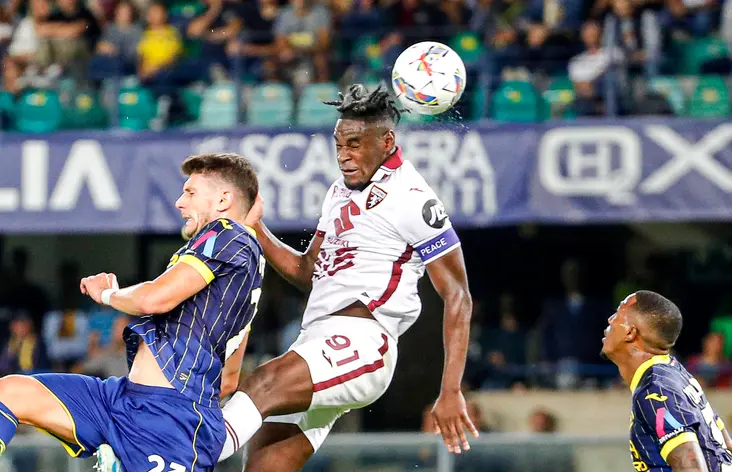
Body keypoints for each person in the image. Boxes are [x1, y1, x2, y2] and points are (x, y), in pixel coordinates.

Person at [217, 84, 478, 471]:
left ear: (387, 141)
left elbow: (458, 295)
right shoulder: (340, 191)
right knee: (264, 462)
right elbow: (307, 272)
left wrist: (451, 388)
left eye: (354, 144)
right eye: (339, 145)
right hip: (317, 341)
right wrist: (255, 227)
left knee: (263, 382)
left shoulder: (413, 198)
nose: (344, 156)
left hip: (363, 344)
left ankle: (169, 455)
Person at [0, 153, 264, 472]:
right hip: (123, 400)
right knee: (11, 392)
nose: (180, 202)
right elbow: (229, 379)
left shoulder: (226, 234)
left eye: (191, 192)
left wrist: (108, 293)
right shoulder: (240, 272)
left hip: (169, 422)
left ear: (223, 200)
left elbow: (154, 299)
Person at [601, 290, 732, 472]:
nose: (610, 320)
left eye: (618, 314)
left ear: (630, 332)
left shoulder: (655, 390)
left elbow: (691, 466)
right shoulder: (675, 372)